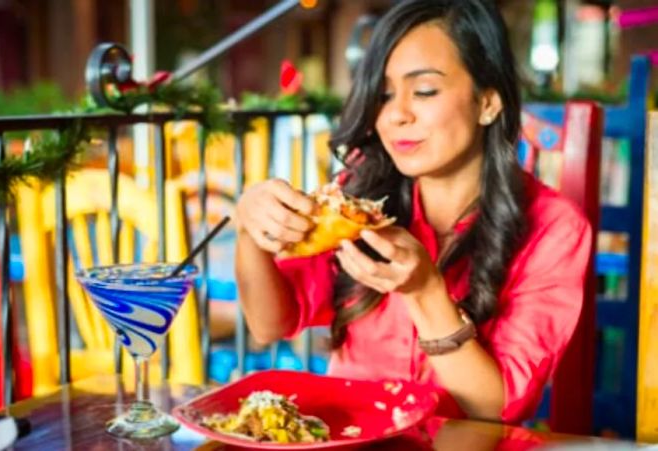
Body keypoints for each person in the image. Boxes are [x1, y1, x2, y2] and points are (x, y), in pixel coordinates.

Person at [234, 0, 591, 424]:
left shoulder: (555, 228)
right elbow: (270, 323)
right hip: (348, 437)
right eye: (383, 96)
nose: (395, 115)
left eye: (424, 91)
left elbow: (496, 409)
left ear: (488, 102)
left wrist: (425, 292)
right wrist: (251, 232)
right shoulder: (357, 197)